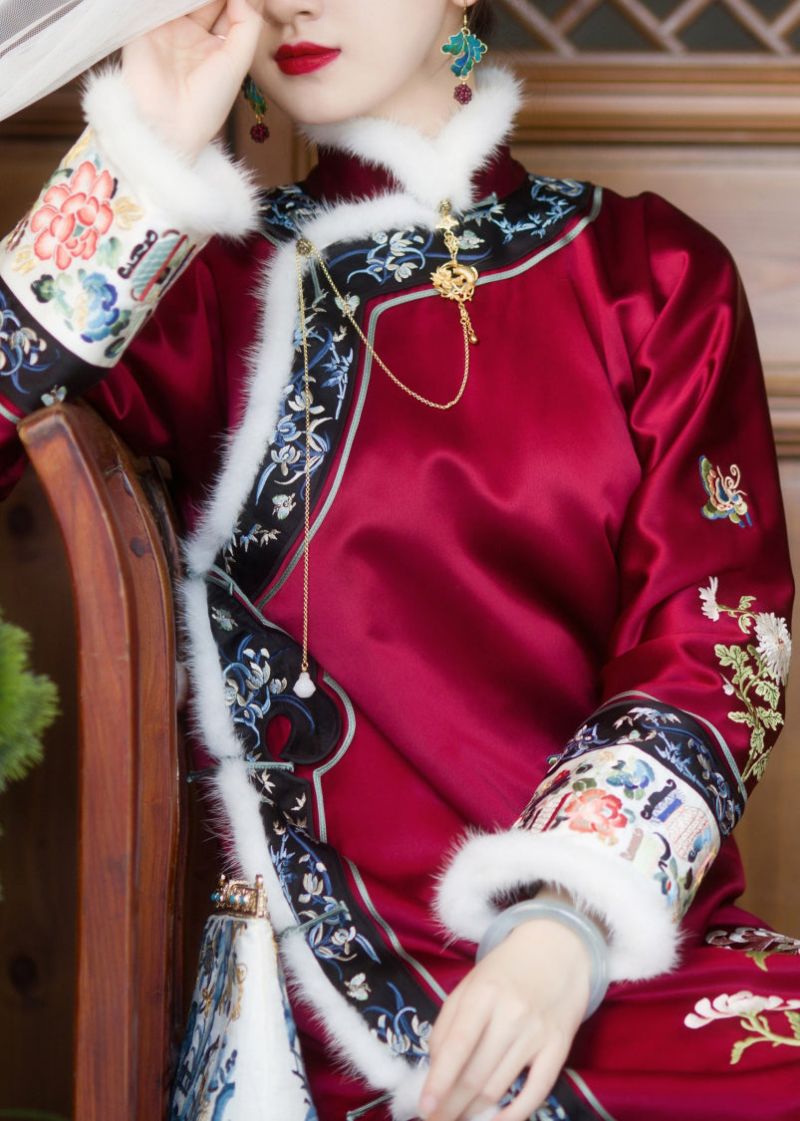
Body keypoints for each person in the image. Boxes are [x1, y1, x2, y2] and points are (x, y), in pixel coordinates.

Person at [1, 1, 798, 1118]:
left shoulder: (647, 278)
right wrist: (145, 143)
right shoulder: (201, 282)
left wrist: (559, 919)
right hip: (330, 1003)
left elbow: (715, 639)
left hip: (606, 949)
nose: (294, 4)